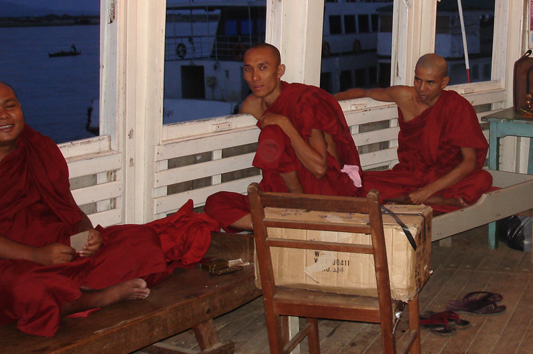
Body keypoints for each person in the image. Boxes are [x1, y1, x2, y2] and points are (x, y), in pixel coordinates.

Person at [0, 81, 220, 337]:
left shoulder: (37, 149)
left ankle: (71, 289)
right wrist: (36, 256)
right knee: (25, 290)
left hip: (57, 249)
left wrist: (86, 232)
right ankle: (93, 297)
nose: (3, 115)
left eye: (10, 105)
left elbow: (68, 208)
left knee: (142, 240)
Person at [204, 43, 363, 230]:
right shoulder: (252, 105)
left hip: (318, 190)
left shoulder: (304, 101)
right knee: (215, 203)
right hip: (279, 192)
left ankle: (295, 216)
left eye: (262, 67)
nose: (254, 77)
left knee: (273, 132)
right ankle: (283, 224)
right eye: (248, 69)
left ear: (279, 70)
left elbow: (319, 168)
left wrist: (284, 124)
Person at [335, 53, 492, 213]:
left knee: (482, 179)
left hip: (445, 175)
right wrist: (326, 100)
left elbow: (470, 162)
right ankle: (430, 199)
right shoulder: (404, 96)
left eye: (430, 82)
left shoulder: (457, 107)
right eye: (418, 80)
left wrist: (427, 191)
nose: (422, 89)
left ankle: (415, 198)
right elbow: (365, 93)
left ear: (444, 82)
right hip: (411, 175)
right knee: (354, 182)